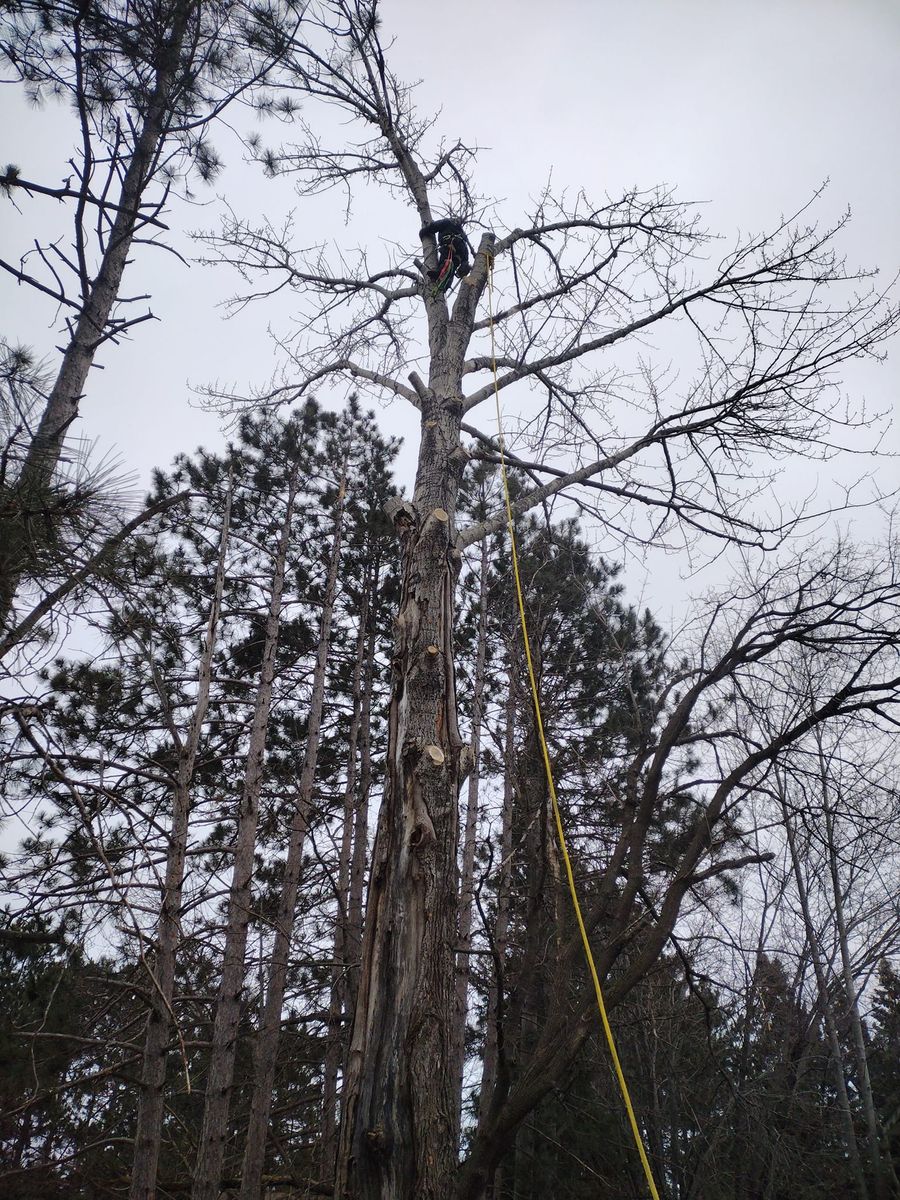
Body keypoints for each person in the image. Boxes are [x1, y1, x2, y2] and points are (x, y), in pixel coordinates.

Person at [420, 218, 473, 296]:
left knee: (445, 258)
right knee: (453, 265)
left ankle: (439, 273)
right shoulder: (461, 232)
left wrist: (423, 231)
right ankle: (447, 284)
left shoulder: (447, 222)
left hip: (449, 242)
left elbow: (434, 226)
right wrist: (464, 264)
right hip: (461, 249)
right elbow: (465, 250)